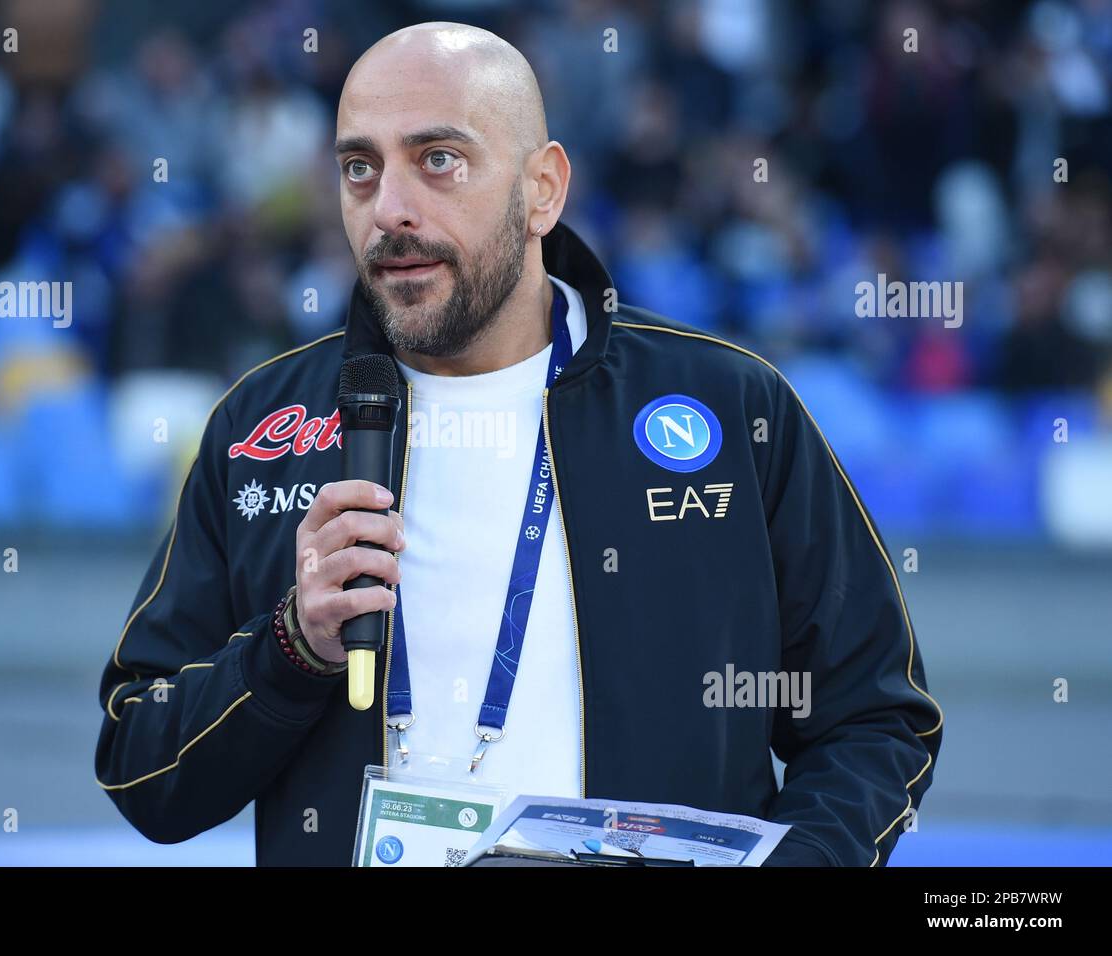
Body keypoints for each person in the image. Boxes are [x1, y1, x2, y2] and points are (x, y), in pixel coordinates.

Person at [95, 22, 943, 867]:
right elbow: (142, 769)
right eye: (360, 167)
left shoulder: (726, 406)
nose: (389, 207)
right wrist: (292, 648)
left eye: (439, 159)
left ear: (543, 189)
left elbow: (874, 719)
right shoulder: (262, 428)